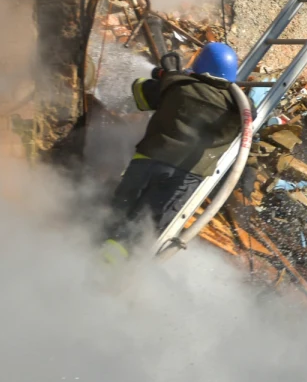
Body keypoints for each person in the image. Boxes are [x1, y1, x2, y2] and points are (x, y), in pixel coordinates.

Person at [102, 43, 248, 259]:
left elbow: (140, 93)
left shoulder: (178, 86)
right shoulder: (238, 109)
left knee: (120, 209)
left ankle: (97, 250)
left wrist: (167, 76)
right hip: (187, 176)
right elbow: (249, 120)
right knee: (147, 226)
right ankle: (119, 271)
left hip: (148, 161)